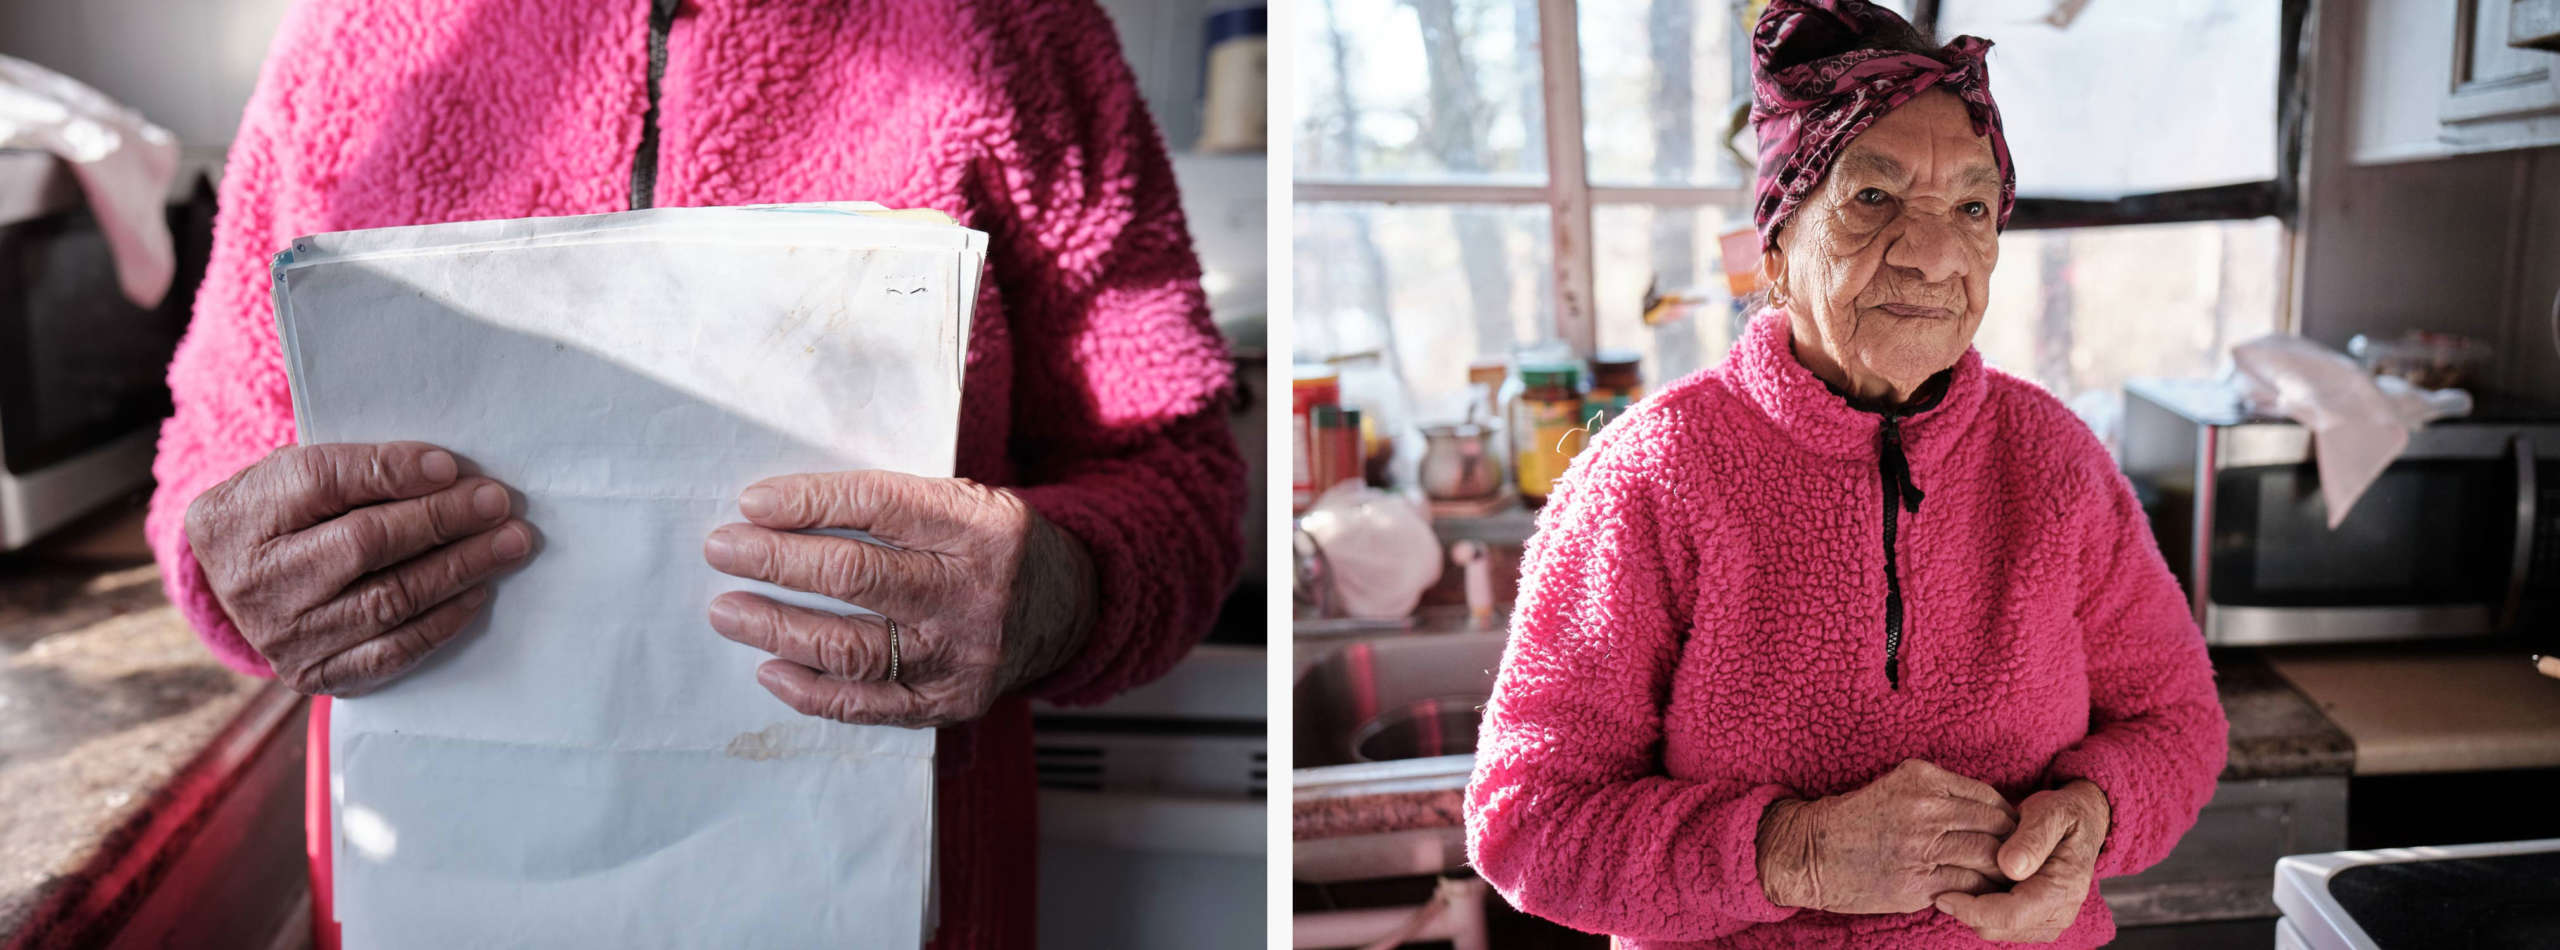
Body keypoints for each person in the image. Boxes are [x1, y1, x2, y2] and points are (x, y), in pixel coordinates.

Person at [145, 1, 1245, 947]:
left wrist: (1054, 588)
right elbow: (212, 453)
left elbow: (1178, 473)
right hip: (430, 879)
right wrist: (242, 563)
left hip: (898, 887)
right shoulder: (356, 39)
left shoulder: (1016, 28)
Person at [1462, 2, 2227, 947]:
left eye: (1972, 209)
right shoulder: (1653, 475)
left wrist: (2090, 823)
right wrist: (1797, 854)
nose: (1935, 253)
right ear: (1777, 249)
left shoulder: (2054, 460)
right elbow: (1527, 818)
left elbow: (2179, 724)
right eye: (1874, 200)